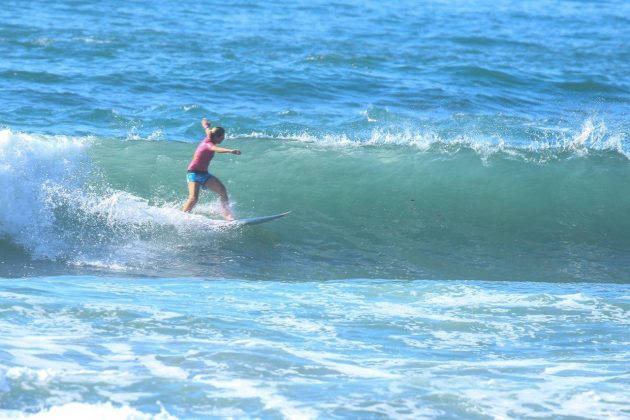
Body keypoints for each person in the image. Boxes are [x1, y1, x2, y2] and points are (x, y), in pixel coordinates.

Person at [182, 118, 241, 220]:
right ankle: (181, 217)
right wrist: (230, 151)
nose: (223, 139)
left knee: (222, 191)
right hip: (193, 173)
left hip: (204, 174)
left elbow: (207, 129)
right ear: (217, 137)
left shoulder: (210, 134)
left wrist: (205, 124)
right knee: (193, 198)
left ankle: (228, 216)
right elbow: (216, 149)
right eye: (222, 137)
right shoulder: (209, 144)